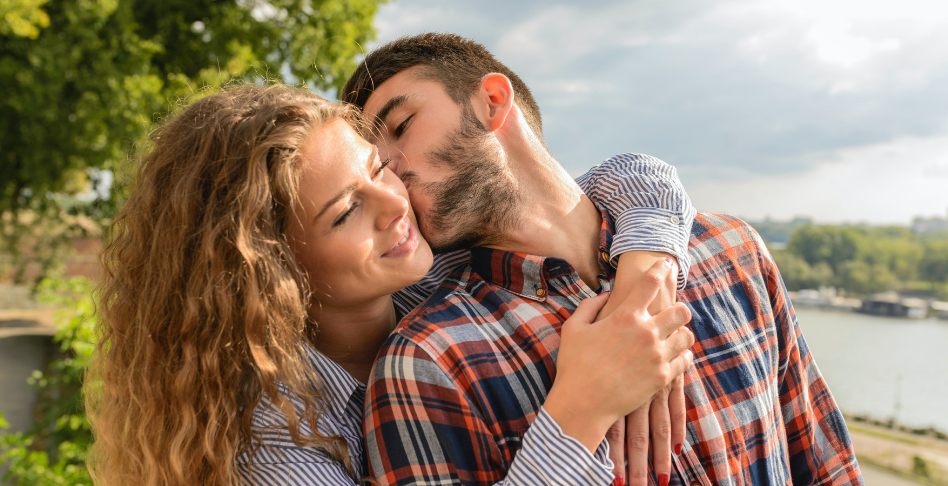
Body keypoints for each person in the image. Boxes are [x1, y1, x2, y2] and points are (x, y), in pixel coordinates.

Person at [87, 83, 699, 486]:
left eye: (379, 167)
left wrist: (644, 282)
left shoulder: (436, 270)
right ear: (268, 271)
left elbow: (628, 178)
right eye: (345, 212)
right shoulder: (270, 450)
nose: (396, 203)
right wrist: (580, 412)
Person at [342, 33, 865, 486]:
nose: (387, 167)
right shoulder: (426, 363)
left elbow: (825, 463)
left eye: (401, 124)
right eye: (372, 162)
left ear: (493, 102)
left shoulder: (732, 251)